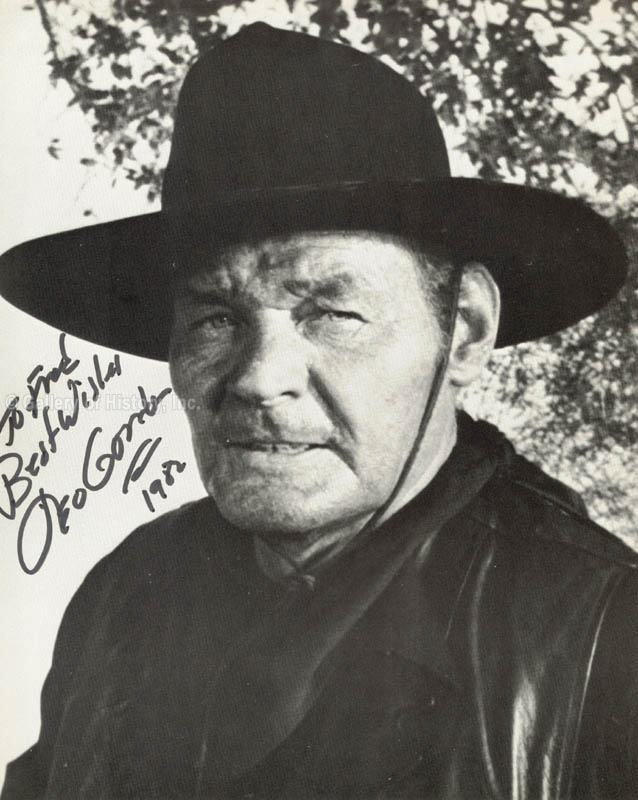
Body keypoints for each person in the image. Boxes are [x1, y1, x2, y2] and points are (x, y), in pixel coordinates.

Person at [0, 21, 636, 800]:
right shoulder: (124, 597)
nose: (259, 379)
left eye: (332, 314)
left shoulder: (604, 637)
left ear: (464, 332)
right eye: (216, 319)